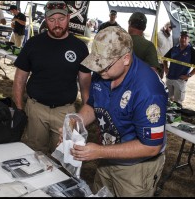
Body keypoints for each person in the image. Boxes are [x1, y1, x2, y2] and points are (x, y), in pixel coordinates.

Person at [68, 26, 168, 197]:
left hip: (135, 169)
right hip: (107, 157)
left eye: (105, 65)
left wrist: (99, 151)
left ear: (126, 58)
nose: (99, 70)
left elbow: (151, 147)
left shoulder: (148, 90)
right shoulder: (105, 73)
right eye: (97, 63)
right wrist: (75, 122)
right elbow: (93, 105)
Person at [12, 1, 91, 155]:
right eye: (51, 19)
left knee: (63, 157)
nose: (57, 24)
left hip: (65, 112)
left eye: (61, 19)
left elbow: (85, 87)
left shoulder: (79, 47)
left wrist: (83, 118)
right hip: (35, 110)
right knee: (32, 155)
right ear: (45, 20)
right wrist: (20, 110)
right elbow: (19, 80)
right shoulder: (33, 44)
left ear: (68, 18)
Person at [164, 31, 195, 106]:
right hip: (170, 78)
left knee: (178, 102)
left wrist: (189, 75)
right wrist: (166, 68)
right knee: (166, 99)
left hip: (180, 80)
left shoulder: (192, 51)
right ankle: (167, 116)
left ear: (188, 40)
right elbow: (164, 58)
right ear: (179, 38)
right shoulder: (174, 48)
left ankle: (176, 117)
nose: (183, 39)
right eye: (182, 37)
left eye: (185, 38)